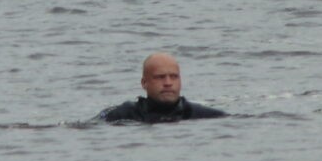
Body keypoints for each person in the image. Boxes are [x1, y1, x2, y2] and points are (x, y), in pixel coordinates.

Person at [96, 52, 226, 123]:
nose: (168, 83)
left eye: (174, 77)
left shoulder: (203, 115)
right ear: (144, 83)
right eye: (160, 77)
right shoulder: (123, 114)